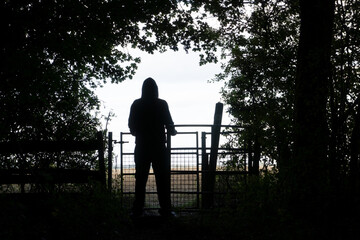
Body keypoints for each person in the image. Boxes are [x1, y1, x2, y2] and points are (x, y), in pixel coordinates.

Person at [128, 77, 177, 218]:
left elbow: (131, 126)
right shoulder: (162, 104)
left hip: (142, 146)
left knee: (141, 179)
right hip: (159, 147)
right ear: (156, 90)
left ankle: (137, 209)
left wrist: (137, 132)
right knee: (162, 179)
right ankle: (166, 209)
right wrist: (172, 132)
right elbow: (170, 124)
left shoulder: (136, 104)